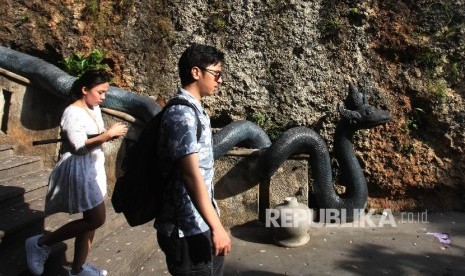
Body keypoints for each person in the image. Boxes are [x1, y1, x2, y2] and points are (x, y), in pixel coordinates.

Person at [25, 70, 128, 276]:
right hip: (80, 169)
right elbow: (79, 147)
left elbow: (92, 137)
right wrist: (107, 135)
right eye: (100, 92)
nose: (103, 97)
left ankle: (78, 268)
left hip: (93, 167)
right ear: (84, 89)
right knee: (96, 220)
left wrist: (104, 137)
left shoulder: (93, 107)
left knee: (90, 220)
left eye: (105, 92)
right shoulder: (72, 112)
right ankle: (40, 243)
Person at [155, 43, 231, 275]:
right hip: (185, 228)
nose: (220, 80)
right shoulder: (182, 114)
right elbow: (190, 174)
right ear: (196, 72)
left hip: (197, 222)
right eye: (216, 74)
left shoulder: (194, 110)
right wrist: (217, 227)